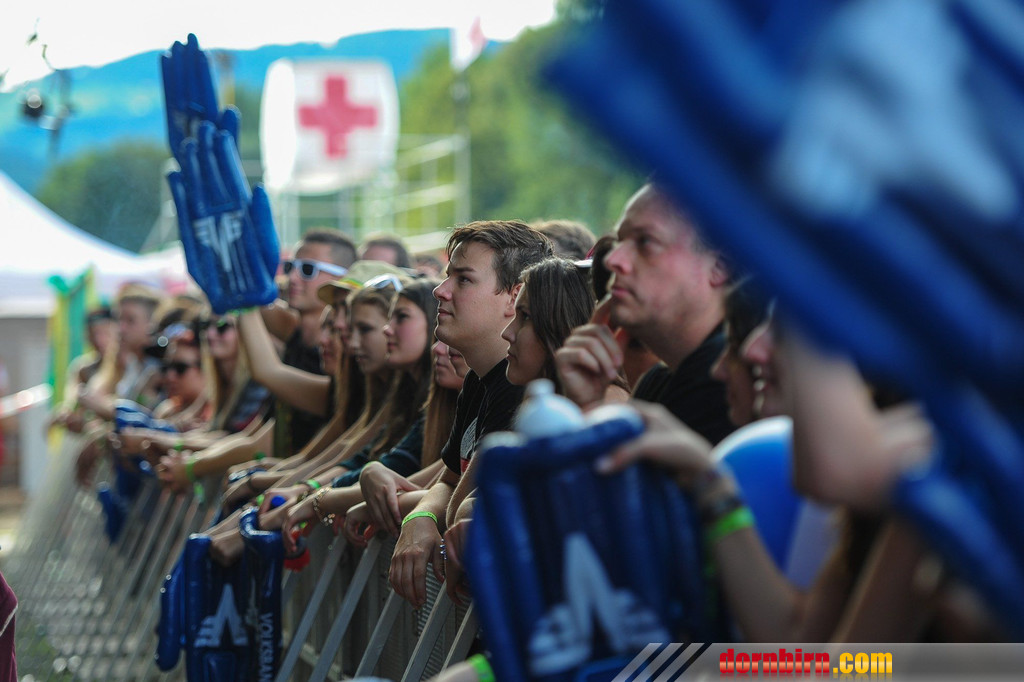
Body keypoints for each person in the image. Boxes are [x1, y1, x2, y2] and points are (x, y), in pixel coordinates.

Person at [389, 220, 553, 608]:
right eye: (448, 276)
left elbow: (462, 502)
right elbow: (448, 480)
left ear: (514, 297)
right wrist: (419, 519)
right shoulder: (480, 380)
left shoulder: (523, 389)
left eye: (463, 279)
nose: (440, 290)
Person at [555, 183, 734, 444]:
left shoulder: (732, 381)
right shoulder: (659, 380)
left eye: (645, 241)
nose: (612, 260)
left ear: (720, 265)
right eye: (620, 241)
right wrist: (588, 406)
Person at [259, 229, 358, 455]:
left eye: (307, 269)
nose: (292, 278)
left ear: (342, 280)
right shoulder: (295, 334)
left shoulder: (346, 366)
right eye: (289, 267)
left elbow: (265, 370)